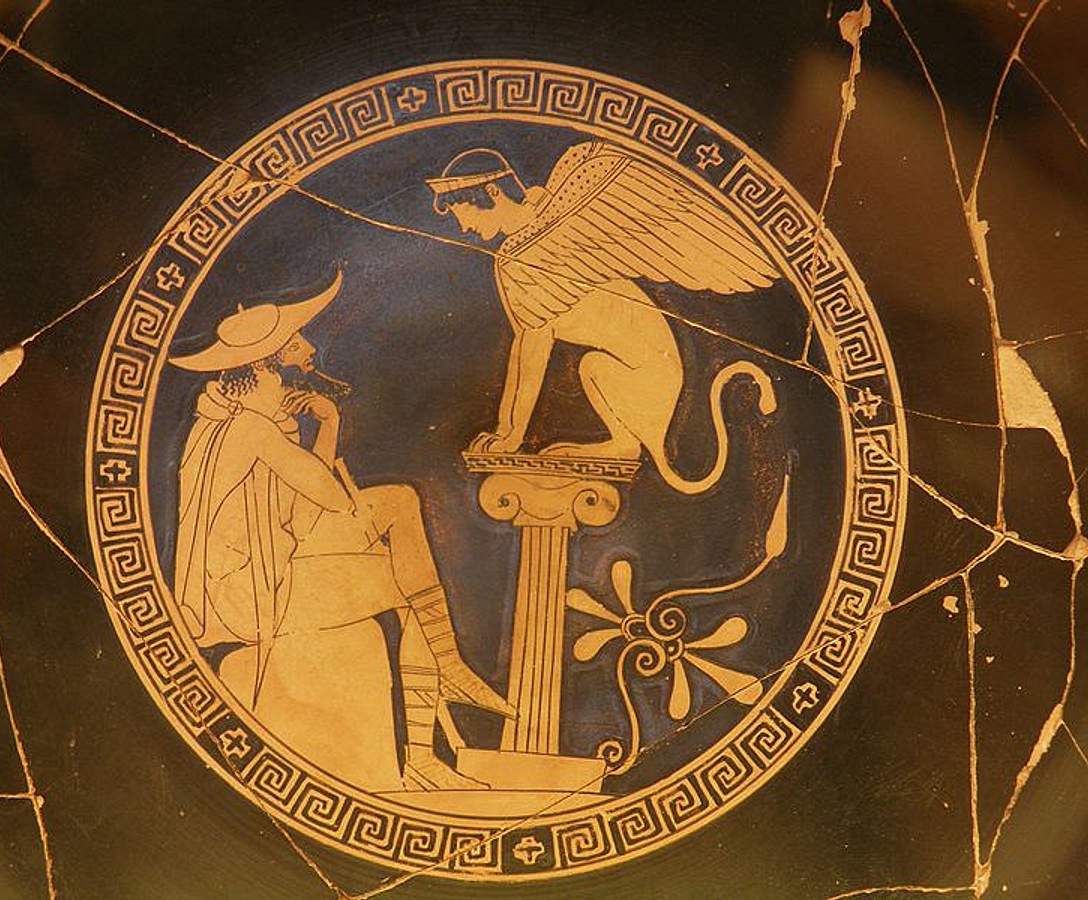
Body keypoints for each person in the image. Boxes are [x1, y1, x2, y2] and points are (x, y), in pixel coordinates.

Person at [169, 271, 512, 791]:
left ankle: (447, 669)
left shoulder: (222, 422)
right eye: (290, 355)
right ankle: (428, 739)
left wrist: (306, 431)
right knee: (409, 591)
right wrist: (327, 423)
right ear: (260, 372)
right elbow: (326, 499)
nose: (304, 358)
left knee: (397, 502)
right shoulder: (250, 429)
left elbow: (301, 515)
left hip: (264, 571)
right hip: (253, 596)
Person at [427, 144, 779, 496]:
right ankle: (622, 442)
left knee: (595, 366)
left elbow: (535, 349)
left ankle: (625, 444)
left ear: (493, 192)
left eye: (464, 212)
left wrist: (513, 437)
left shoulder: (529, 250)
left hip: (649, 379)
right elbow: (523, 347)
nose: (464, 226)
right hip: (644, 378)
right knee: (593, 365)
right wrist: (504, 431)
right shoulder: (517, 252)